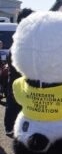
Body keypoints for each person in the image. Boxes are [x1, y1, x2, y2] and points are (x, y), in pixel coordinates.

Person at [4, 8, 34, 137]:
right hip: (18, 80)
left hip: (22, 79)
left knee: (19, 105)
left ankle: (16, 127)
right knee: (14, 104)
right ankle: (10, 128)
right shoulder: (22, 38)